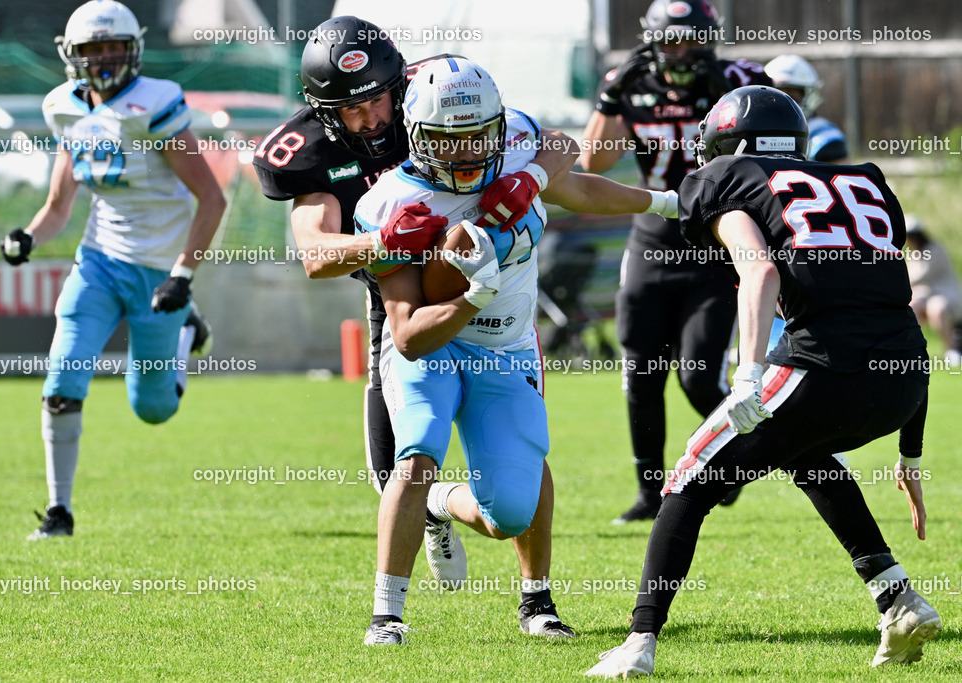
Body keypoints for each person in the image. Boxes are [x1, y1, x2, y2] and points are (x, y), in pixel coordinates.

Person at [586, 85, 941, 678]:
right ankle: (896, 598)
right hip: (901, 381)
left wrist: (748, 374)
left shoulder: (729, 179)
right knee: (805, 453)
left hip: (819, 368)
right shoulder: (866, 182)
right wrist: (910, 450)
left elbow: (761, 269)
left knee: (686, 483)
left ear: (728, 148)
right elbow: (892, 305)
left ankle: (638, 644)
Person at [354, 56, 680, 645]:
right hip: (432, 348)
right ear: (417, 136)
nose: (469, 151)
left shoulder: (517, 147)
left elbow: (570, 169)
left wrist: (662, 203)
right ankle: (388, 614)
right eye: (449, 140)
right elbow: (405, 332)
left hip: (507, 349)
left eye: (481, 134)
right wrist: (475, 294)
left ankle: (488, 549)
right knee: (416, 455)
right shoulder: (389, 203)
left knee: (511, 509)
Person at [253, 17, 579, 584]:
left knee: (517, 456)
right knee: (394, 478)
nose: (370, 119)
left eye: (377, 100)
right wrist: (380, 240)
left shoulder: (439, 92)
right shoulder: (306, 149)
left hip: (484, 289)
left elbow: (555, 146)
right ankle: (434, 506)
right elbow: (314, 252)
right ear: (323, 110)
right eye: (350, 111)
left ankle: (536, 594)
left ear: (398, 86)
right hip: (397, 292)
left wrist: (530, 181)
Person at [0, 0, 225, 540]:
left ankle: (185, 327)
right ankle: (59, 514)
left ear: (133, 50)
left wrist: (183, 276)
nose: (103, 59)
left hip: (158, 272)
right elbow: (59, 207)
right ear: (72, 56)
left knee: (152, 409)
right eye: (92, 49)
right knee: (61, 381)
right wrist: (29, 234)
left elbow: (212, 199)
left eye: (112, 47)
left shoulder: (156, 104)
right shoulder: (63, 108)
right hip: (98, 262)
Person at [579, 0, 770, 523]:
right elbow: (592, 162)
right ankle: (648, 493)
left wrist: (723, 95)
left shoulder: (739, 78)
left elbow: (774, 146)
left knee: (697, 375)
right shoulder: (630, 80)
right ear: (650, 39)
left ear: (709, 39)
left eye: (690, 40)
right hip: (654, 230)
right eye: (670, 41)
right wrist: (608, 97)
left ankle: (728, 466)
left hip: (718, 233)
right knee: (641, 370)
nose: (680, 52)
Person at [765, 54, 848, 163]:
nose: (784, 103)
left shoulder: (819, 131)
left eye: (792, 95)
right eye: (776, 95)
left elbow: (840, 172)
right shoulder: (751, 129)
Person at [904, 215, 962, 367]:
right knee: (913, 307)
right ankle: (912, 349)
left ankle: (952, 351)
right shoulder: (913, 254)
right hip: (926, 296)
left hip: (947, 296)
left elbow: (920, 276)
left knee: (937, 308)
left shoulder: (935, 250)